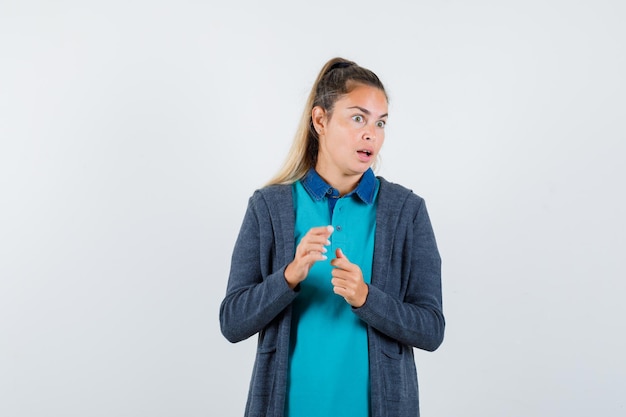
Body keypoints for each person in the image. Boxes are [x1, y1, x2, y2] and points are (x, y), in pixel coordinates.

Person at [219, 57, 444, 417]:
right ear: (320, 120)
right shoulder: (269, 206)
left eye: (380, 122)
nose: (371, 133)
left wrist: (366, 297)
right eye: (358, 118)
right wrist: (288, 277)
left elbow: (431, 329)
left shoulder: (407, 211)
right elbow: (232, 322)